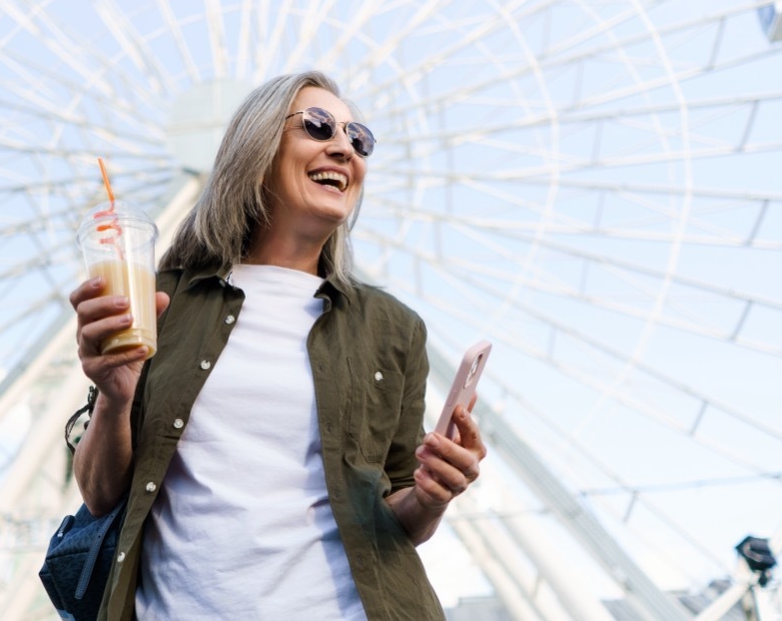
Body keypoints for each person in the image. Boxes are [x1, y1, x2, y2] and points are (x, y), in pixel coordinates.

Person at [68, 71, 487, 620]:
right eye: (317, 127)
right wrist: (115, 396)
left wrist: (431, 495)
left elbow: (401, 515)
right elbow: (101, 496)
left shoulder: (393, 328)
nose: (343, 147)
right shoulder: (159, 301)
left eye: (358, 139)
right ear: (257, 150)